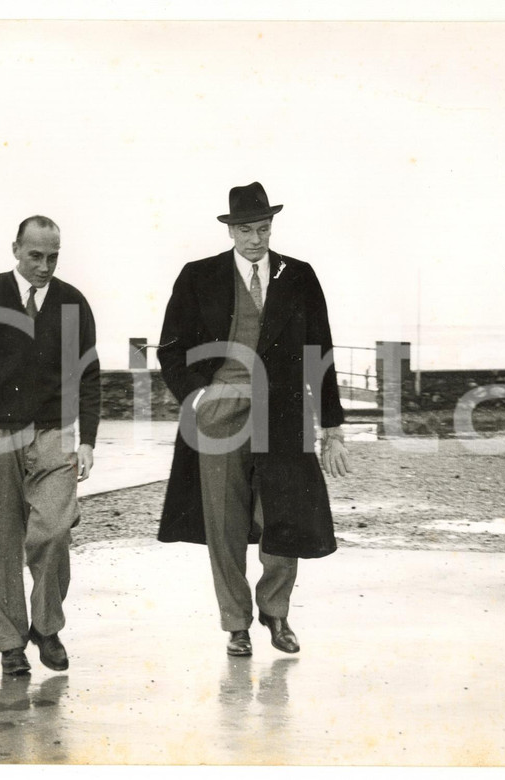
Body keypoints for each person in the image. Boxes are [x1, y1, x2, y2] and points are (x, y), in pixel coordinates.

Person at [157, 182, 351, 657]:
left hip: (283, 411)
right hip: (219, 411)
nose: (255, 239)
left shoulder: (299, 276)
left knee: (284, 516)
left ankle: (276, 611)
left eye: (263, 229)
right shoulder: (198, 276)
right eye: (245, 230)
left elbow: (320, 353)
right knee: (223, 523)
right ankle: (236, 623)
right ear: (230, 231)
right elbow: (170, 349)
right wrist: (196, 396)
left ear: (271, 227)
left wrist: (333, 428)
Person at [0, 215, 100, 675]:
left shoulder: (73, 303)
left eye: (53, 257)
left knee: (53, 531)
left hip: (54, 434)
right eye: (36, 255)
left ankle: (47, 627)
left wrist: (88, 440)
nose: (45, 266)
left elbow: (89, 377)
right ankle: (11, 644)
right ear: (16, 248)